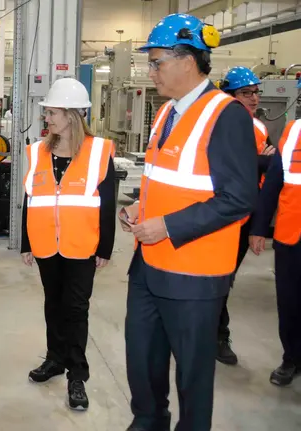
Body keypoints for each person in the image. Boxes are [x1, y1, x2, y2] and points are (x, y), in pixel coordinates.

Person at [120, 14, 258, 431]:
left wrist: (168, 226)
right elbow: (168, 181)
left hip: (194, 275)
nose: (151, 70)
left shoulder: (226, 114)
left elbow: (238, 199)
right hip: (148, 266)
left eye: (157, 61)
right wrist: (141, 208)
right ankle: (148, 421)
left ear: (187, 60)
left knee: (192, 376)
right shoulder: (165, 114)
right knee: (142, 359)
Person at [20, 77, 116, 411]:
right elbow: (29, 199)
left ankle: (77, 374)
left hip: (82, 245)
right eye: (47, 112)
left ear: (73, 115)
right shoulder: (36, 152)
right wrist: (26, 242)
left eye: (53, 112)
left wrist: (105, 247)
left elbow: (107, 201)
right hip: (47, 244)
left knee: (76, 309)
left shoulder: (99, 152)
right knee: (53, 304)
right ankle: (54, 360)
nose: (47, 118)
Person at [214, 66, 277, 365]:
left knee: (225, 278)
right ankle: (215, 334)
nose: (253, 98)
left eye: (255, 92)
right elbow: (229, 166)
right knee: (218, 277)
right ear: (230, 96)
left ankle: (215, 332)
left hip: (247, 212)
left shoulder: (258, 126)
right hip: (224, 212)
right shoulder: (224, 124)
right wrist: (263, 162)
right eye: (245, 93)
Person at [248, 106, 301, 387]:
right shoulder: (293, 133)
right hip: (291, 234)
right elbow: (273, 184)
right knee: (289, 301)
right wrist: (259, 228)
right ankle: (291, 357)